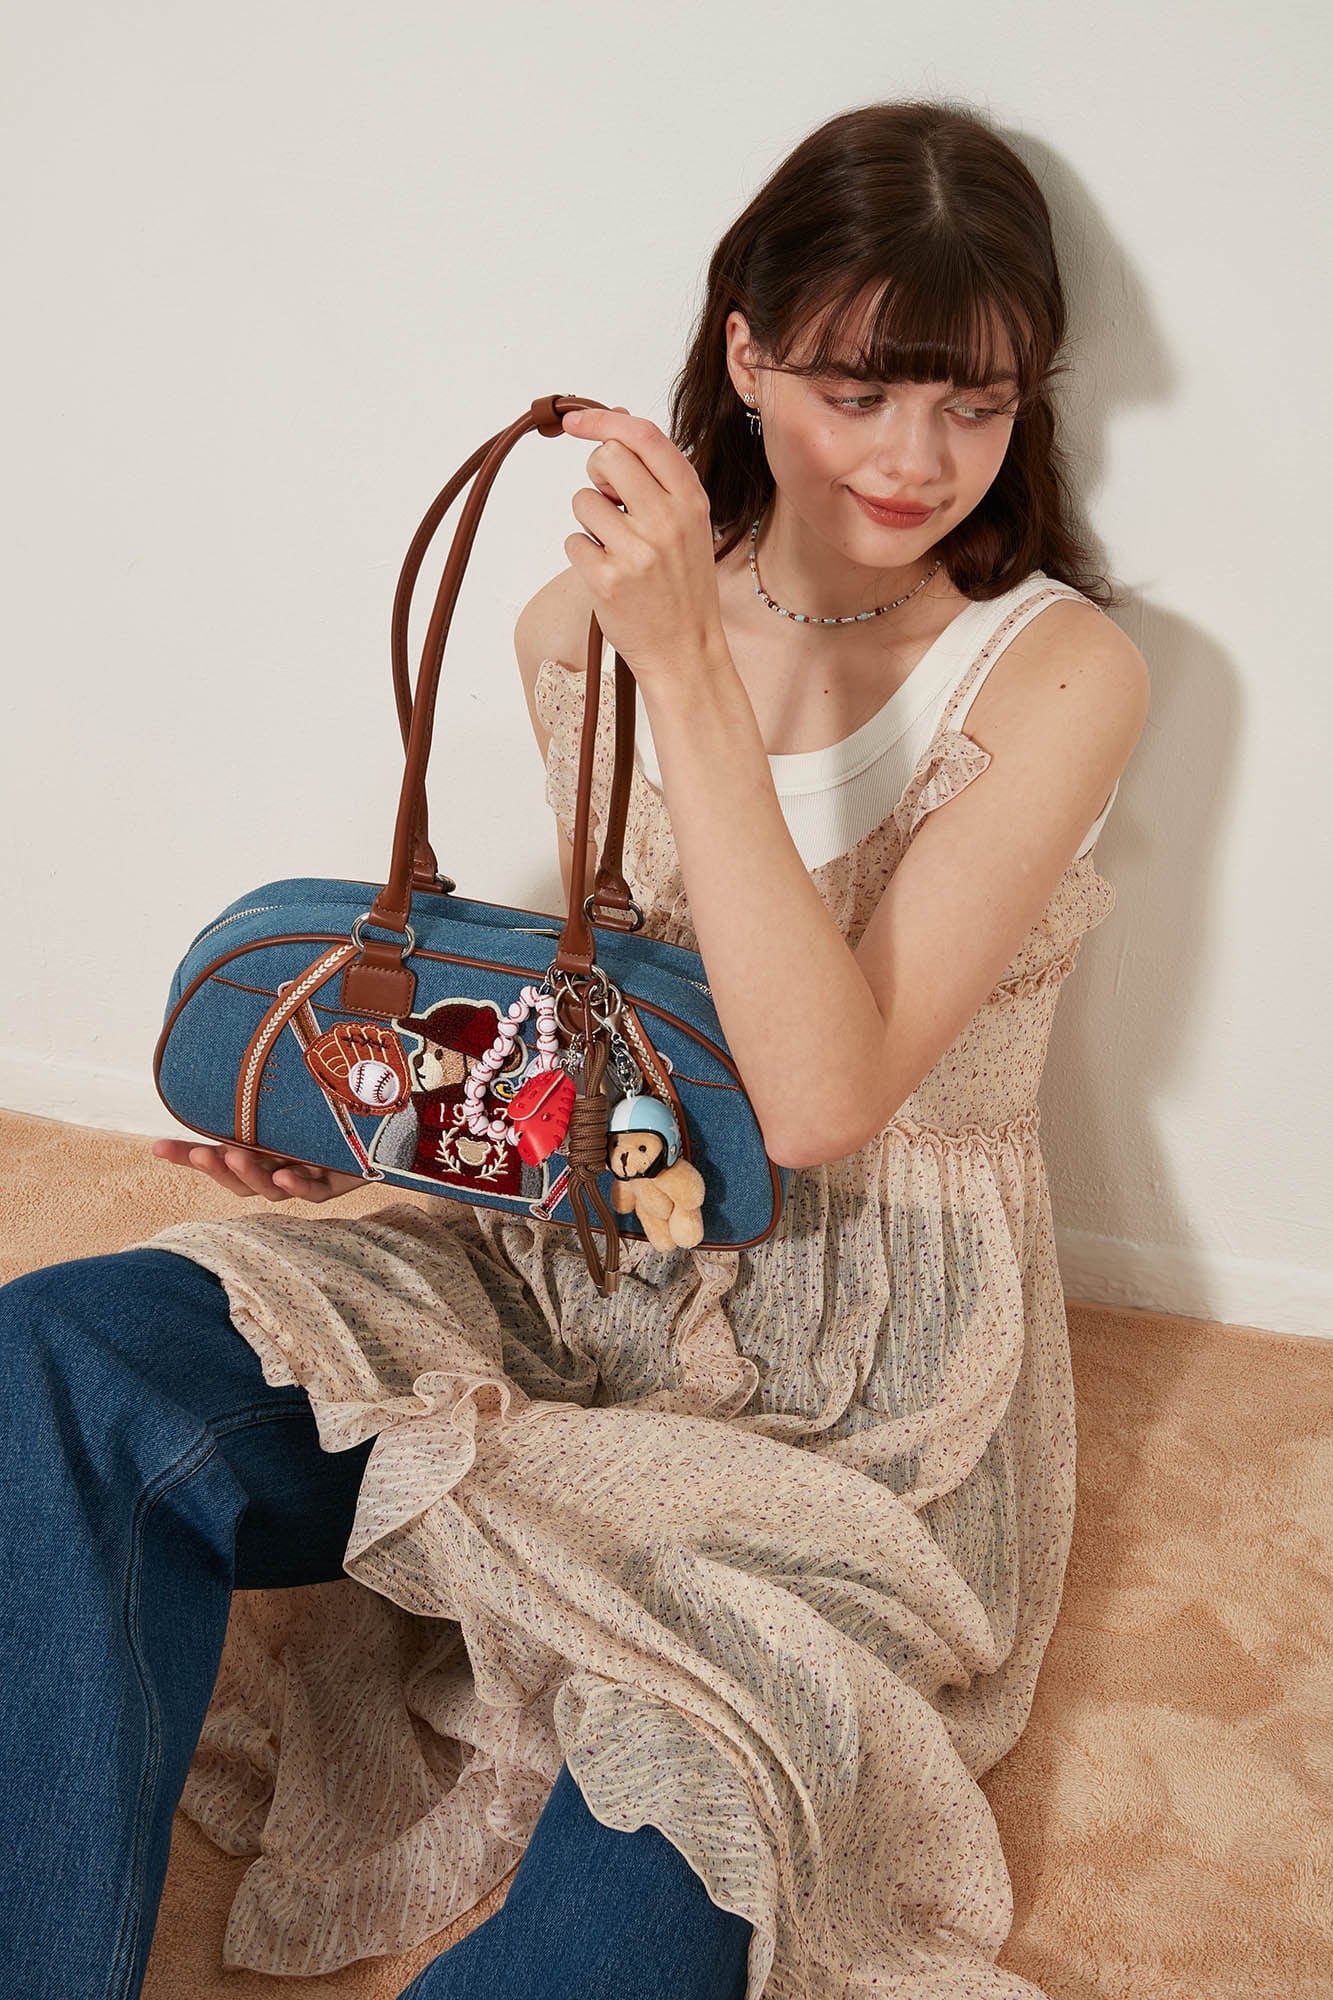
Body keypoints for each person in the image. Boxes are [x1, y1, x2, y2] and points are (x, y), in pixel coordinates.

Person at [0, 97, 1148, 2000]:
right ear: (745, 355)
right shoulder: (570, 627)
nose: (917, 456)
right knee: (57, 1355)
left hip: (860, 1389)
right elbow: (606, 1039)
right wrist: (394, 1137)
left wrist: (686, 661)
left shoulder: (1050, 671)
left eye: (976, 403)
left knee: (704, 1795)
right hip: (569, 1260)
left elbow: (819, 1099)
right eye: (859, 391)